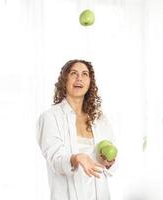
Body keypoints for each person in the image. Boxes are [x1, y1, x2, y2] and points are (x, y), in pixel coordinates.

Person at [36, 59, 118, 200]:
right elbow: (55, 159)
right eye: (74, 73)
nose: (79, 78)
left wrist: (109, 162)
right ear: (64, 80)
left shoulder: (99, 118)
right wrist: (76, 158)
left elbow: (112, 158)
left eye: (85, 74)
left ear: (90, 82)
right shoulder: (50, 117)